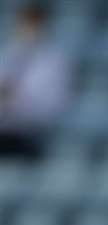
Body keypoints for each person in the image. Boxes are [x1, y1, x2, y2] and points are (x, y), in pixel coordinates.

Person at [0, 4, 71, 161]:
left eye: (33, 25)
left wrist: (15, 99)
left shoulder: (54, 62)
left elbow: (52, 106)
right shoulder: (7, 56)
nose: (28, 31)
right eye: (24, 24)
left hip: (30, 136)